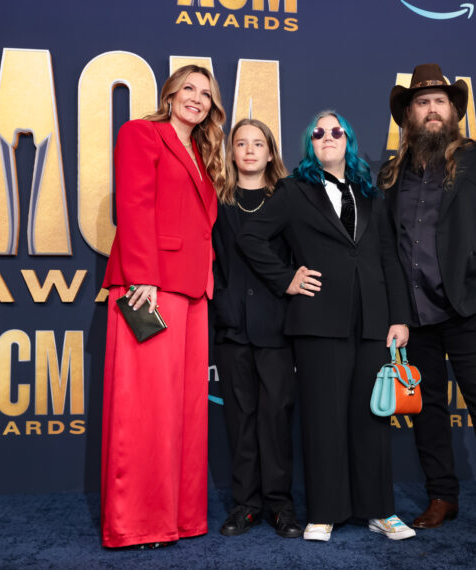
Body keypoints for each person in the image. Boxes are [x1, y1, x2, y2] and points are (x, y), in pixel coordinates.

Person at [237, 111, 415, 542]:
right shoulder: (295, 192)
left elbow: (389, 258)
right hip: (318, 321)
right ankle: (325, 511)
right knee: (323, 419)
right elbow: (250, 238)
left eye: (337, 131)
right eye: (318, 132)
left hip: (373, 321)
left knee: (372, 418)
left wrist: (399, 316)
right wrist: (286, 279)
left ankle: (379, 511)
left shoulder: (373, 194)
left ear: (349, 141)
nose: (328, 136)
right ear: (310, 145)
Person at [376, 63, 476, 545]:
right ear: (409, 116)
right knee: (428, 411)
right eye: (422, 102)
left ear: (454, 110)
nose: (432, 109)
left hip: (469, 310)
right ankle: (442, 496)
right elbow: (388, 247)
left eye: (440, 101)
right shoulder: (391, 174)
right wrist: (397, 312)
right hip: (415, 316)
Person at [100, 65, 226, 549]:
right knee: (146, 409)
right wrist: (143, 279)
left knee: (185, 413)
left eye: (205, 94)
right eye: (188, 89)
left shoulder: (201, 152)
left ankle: (179, 517)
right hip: (149, 288)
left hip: (193, 292)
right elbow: (134, 206)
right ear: (169, 94)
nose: (196, 98)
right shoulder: (141, 134)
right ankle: (138, 522)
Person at [211, 118, 301, 539]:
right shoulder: (216, 200)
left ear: (270, 153)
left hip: (277, 326)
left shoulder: (288, 198)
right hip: (232, 328)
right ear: (231, 153)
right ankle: (246, 504)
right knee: (240, 421)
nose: (249, 150)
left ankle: (281, 506)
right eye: (240, 143)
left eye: (258, 143)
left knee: (275, 419)